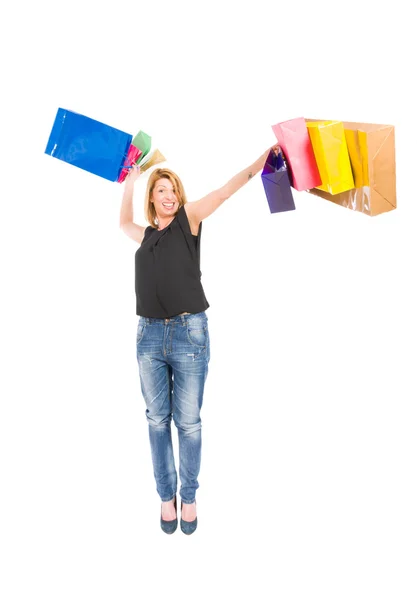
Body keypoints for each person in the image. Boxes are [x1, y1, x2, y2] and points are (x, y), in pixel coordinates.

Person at [120, 143, 280, 535]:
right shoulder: (144, 237)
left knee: (188, 423)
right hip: (149, 336)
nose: (169, 194)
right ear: (153, 199)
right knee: (157, 421)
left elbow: (225, 191)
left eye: (173, 188)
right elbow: (123, 222)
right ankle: (165, 497)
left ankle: (188, 496)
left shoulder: (189, 219)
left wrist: (262, 161)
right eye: (162, 190)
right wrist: (132, 181)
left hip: (190, 333)